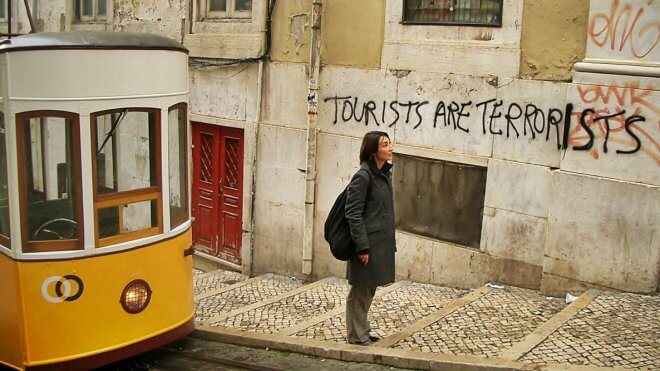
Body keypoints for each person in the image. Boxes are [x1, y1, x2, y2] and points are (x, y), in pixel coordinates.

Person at [344, 131, 396, 346]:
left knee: (369, 287)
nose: (390, 147)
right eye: (385, 145)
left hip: (380, 243)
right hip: (366, 244)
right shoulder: (363, 176)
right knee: (360, 289)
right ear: (373, 150)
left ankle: (362, 330)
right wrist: (362, 247)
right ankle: (356, 335)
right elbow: (353, 213)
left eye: (390, 143)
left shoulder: (383, 174)